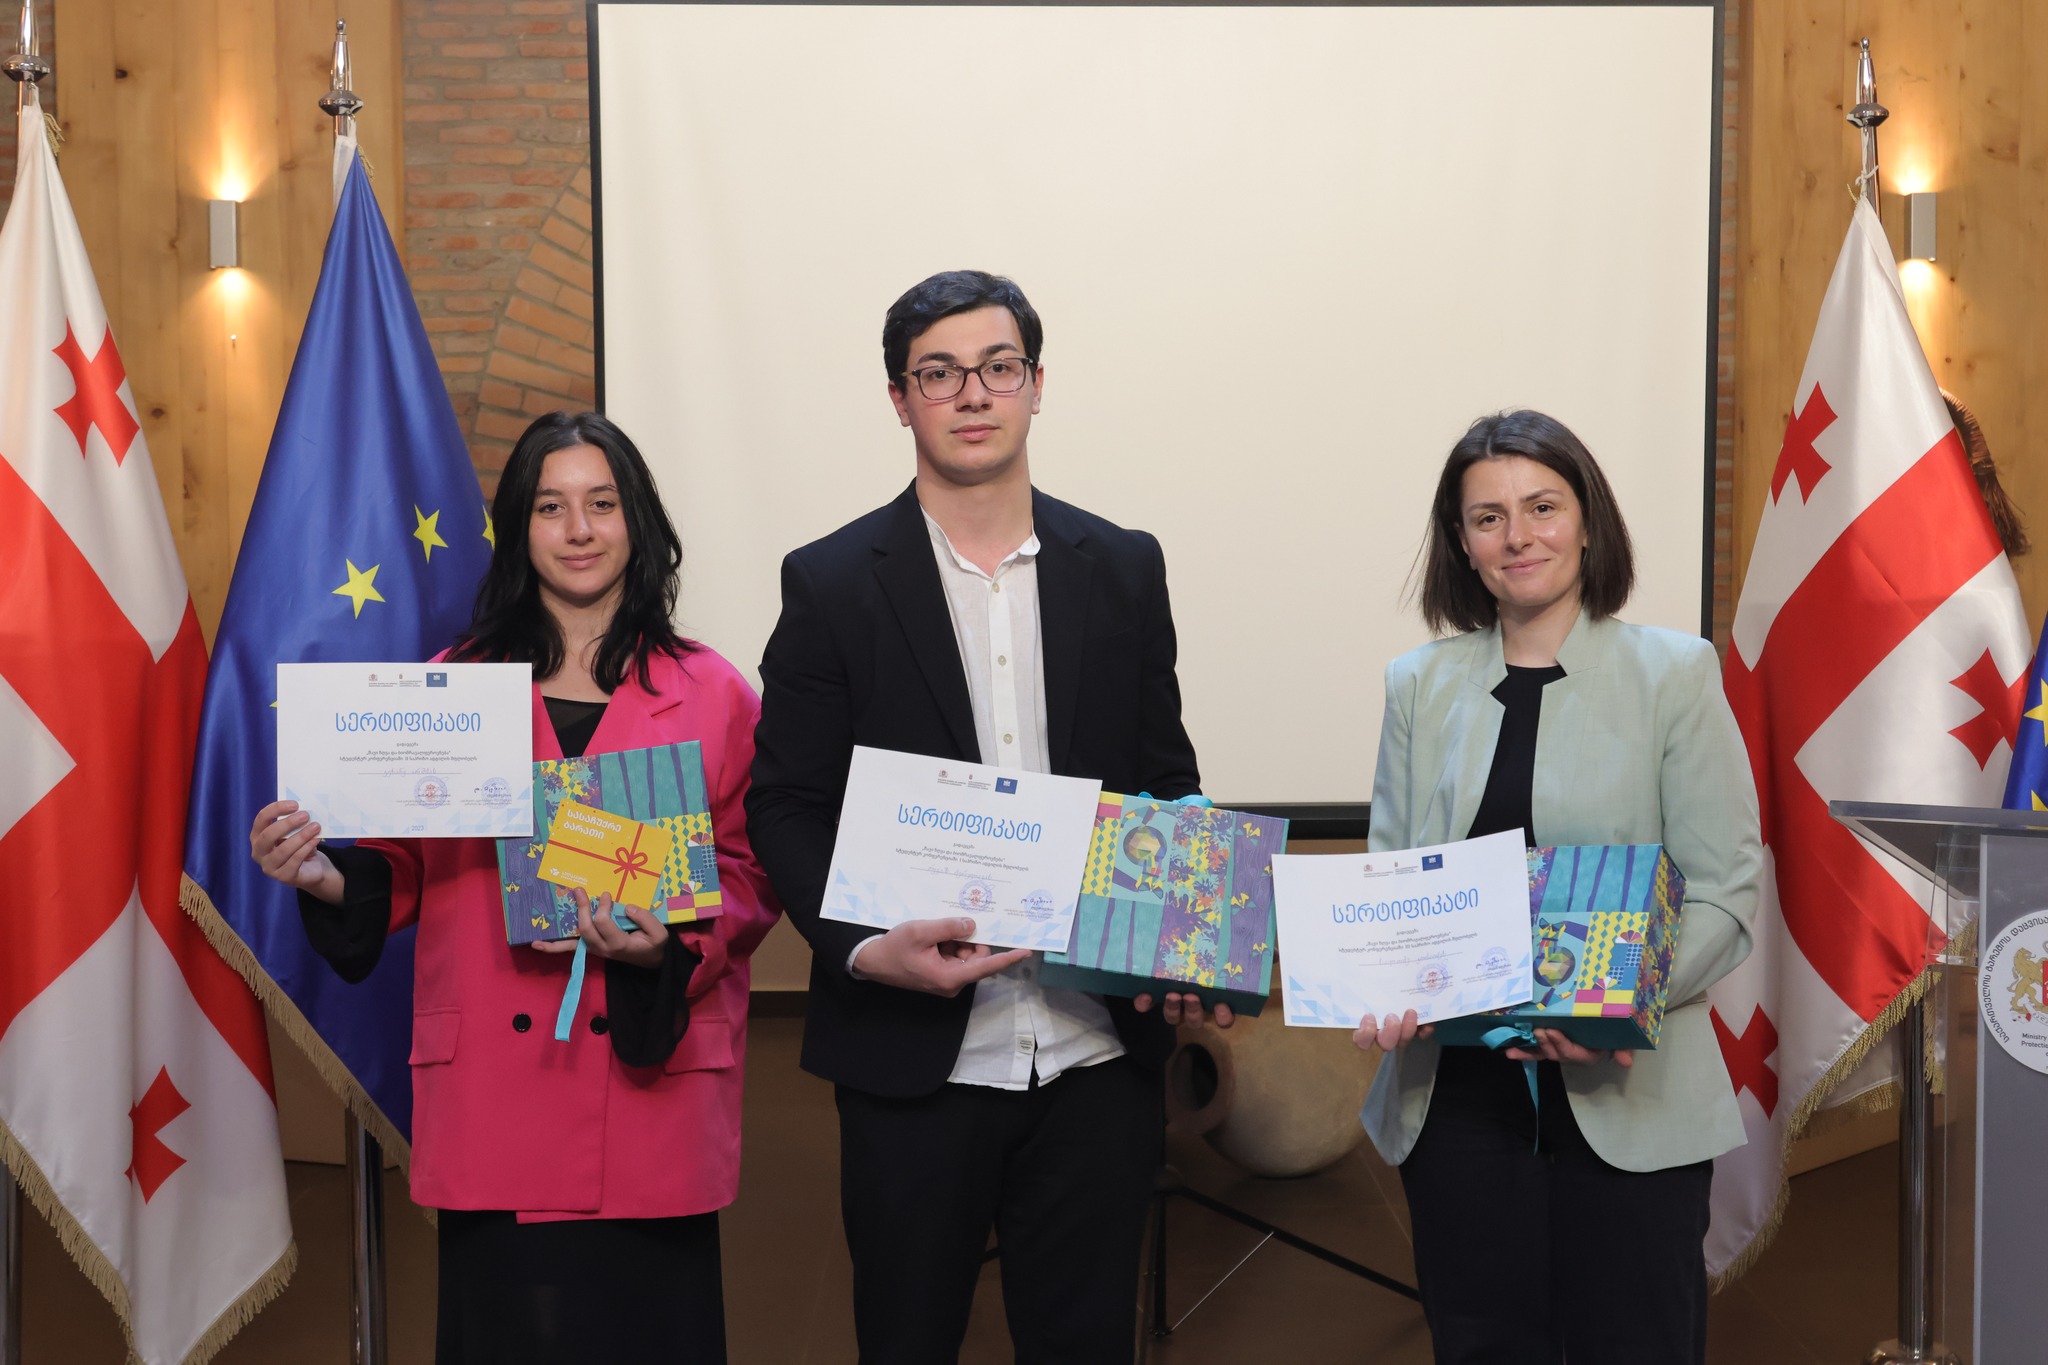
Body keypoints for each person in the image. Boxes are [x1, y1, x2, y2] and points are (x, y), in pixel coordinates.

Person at [746, 269, 1208, 1363]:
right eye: (938, 373)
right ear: (899, 399)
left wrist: (1189, 939)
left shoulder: (1123, 566)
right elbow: (787, 805)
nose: (971, 393)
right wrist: (864, 950)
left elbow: (1165, 785)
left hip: (1096, 1050)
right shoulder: (831, 582)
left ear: (1036, 385)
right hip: (913, 1062)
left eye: (997, 367)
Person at [249, 411, 778, 1365]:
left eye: (602, 503)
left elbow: (748, 871)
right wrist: (324, 873)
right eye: (550, 506)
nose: (578, 529)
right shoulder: (454, 684)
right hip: (495, 1089)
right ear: (518, 527)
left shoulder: (715, 691)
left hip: (651, 1085)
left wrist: (668, 943)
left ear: (638, 520)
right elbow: (402, 861)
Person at [1353, 410, 1761, 1365]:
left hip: (1631, 1089)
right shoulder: (1417, 683)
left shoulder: (1675, 673)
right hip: (1457, 1100)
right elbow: (1392, 882)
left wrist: (1622, 1003)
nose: (1518, 536)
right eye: (1487, 517)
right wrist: (1382, 980)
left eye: (1542, 507)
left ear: (1587, 522)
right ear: (1462, 542)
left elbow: (1725, 887)